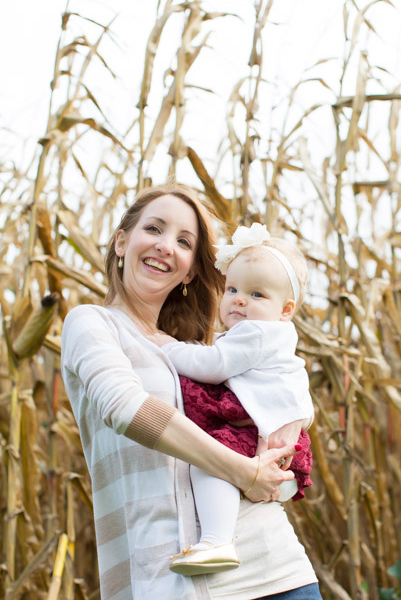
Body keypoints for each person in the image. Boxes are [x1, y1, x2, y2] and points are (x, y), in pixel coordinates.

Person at [61, 183, 322, 600]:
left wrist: (290, 429)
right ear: (122, 241)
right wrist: (242, 471)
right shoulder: (91, 324)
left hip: (272, 567)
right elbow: (126, 408)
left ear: (191, 270)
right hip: (167, 578)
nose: (166, 246)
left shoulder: (204, 349)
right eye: (154, 229)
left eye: (184, 241)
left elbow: (282, 387)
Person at [149, 223, 314, 576]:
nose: (239, 299)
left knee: (209, 460)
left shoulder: (256, 333)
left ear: (286, 308)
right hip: (276, 443)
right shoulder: (275, 336)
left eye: (257, 295)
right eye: (234, 289)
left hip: (258, 438)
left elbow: (213, 365)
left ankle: (216, 540)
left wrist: (170, 348)